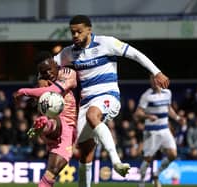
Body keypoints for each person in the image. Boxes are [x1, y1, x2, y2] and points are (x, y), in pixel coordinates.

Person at [53, 15, 170, 187]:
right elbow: (48, 66)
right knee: (86, 151)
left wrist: (156, 72)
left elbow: (135, 54)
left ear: (89, 30)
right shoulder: (69, 52)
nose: (75, 35)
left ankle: (116, 162)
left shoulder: (106, 43)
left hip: (108, 96)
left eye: (79, 31)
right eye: (72, 33)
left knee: (93, 115)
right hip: (85, 103)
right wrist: (41, 89)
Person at [14, 51, 77, 187]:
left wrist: (24, 91)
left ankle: (44, 125)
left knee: (50, 175)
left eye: (49, 69)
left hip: (65, 129)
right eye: (43, 71)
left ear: (55, 64)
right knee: (55, 119)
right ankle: (45, 124)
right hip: (61, 126)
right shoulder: (43, 81)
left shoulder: (68, 73)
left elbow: (55, 90)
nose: (47, 73)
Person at [134, 75, 185, 187]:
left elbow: (168, 108)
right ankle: (141, 183)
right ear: (150, 81)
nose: (154, 81)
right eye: (152, 79)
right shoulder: (146, 96)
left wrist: (177, 118)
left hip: (164, 129)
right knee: (147, 159)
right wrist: (147, 116)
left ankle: (157, 174)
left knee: (173, 155)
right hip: (151, 131)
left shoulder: (168, 93)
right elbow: (137, 114)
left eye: (156, 79)